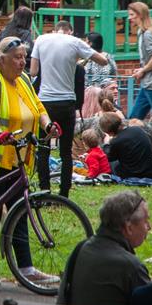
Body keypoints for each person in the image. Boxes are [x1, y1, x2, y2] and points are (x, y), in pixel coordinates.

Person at [0, 38, 58, 286]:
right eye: (17, 57)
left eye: (24, 57)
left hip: (17, 159)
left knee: (20, 211)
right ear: (2, 60)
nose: (22, 62)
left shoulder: (24, 81)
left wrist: (48, 125)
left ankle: (26, 268)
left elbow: (38, 108)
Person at [30, 20, 109, 197]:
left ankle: (44, 191)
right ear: (70, 32)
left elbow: (33, 71)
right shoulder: (75, 43)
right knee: (65, 151)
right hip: (66, 102)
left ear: (55, 30)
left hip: (45, 102)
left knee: (44, 148)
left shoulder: (41, 40)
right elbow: (103, 61)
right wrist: (79, 60)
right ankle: (64, 194)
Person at [57, 190, 151, 305]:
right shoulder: (131, 267)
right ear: (129, 227)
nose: (149, 226)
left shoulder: (81, 249)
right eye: (146, 221)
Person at [97, 113, 152, 180]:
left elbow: (108, 158)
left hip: (133, 175)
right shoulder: (137, 129)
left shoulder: (116, 141)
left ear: (108, 132)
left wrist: (106, 143)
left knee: (111, 163)